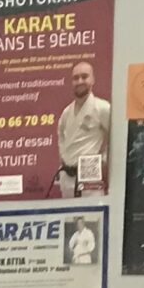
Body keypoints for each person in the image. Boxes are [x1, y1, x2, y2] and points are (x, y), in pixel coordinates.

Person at [54, 60, 111, 196]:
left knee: (92, 216)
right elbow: (61, 137)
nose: (80, 81)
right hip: (67, 176)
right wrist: (63, 158)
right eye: (75, 78)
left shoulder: (103, 108)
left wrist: (103, 161)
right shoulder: (66, 112)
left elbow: (115, 139)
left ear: (93, 79)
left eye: (84, 77)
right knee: (67, 216)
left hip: (90, 175)